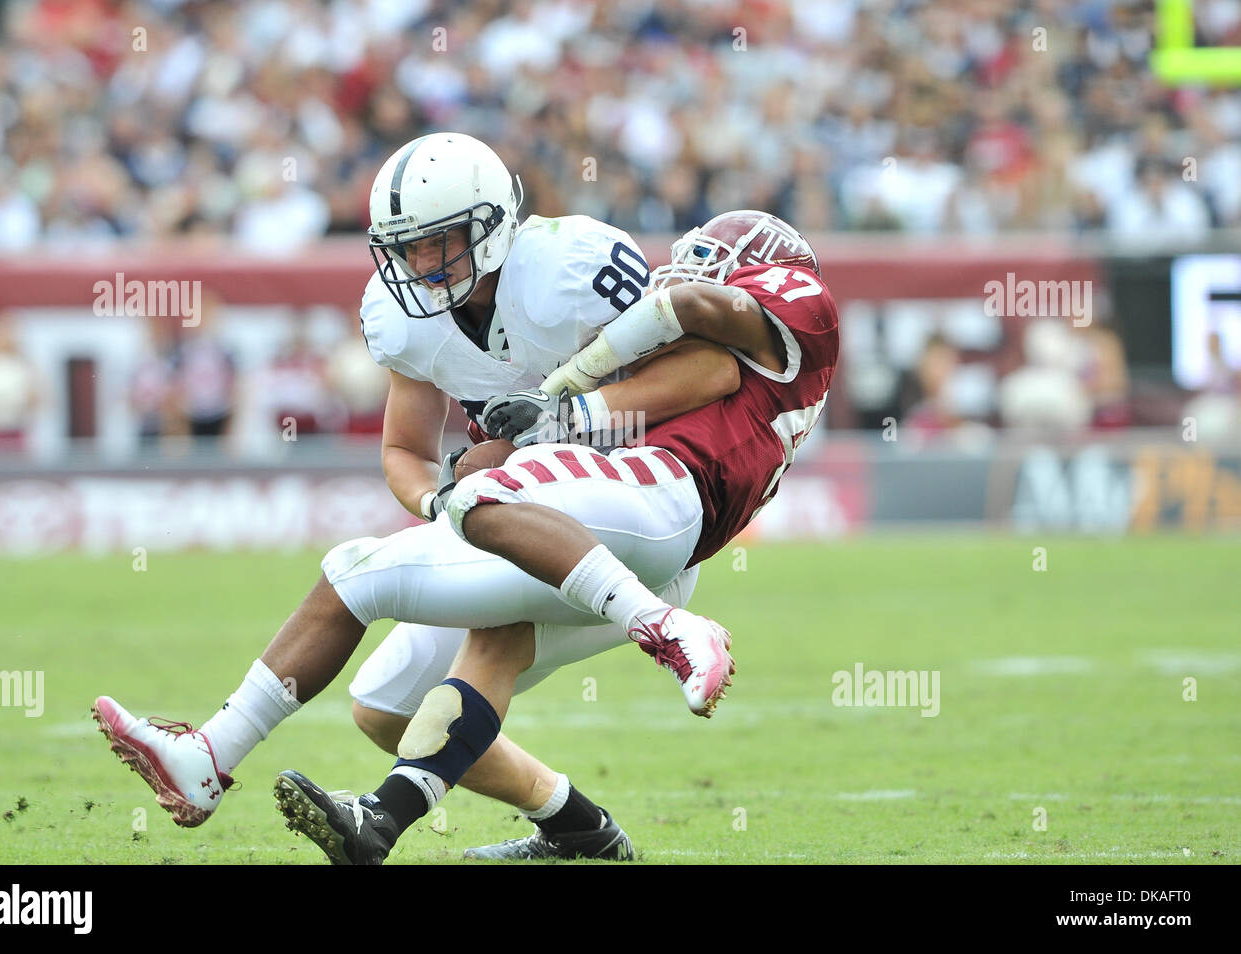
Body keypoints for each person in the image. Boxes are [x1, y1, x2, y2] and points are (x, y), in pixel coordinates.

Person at [93, 133, 739, 862]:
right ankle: (577, 828)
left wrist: (564, 421)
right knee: (386, 706)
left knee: (369, 577)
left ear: (492, 225)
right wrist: (443, 504)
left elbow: (711, 372)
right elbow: (403, 452)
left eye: (438, 243)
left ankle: (226, 764)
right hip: (516, 523)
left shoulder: (573, 268)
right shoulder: (408, 318)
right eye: (406, 248)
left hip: (633, 521)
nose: (421, 265)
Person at [275, 209, 840, 864]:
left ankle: (369, 813)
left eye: (707, 256)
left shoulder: (787, 314)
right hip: (608, 507)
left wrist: (560, 400)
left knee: (473, 591)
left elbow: (691, 315)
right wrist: (499, 446)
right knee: (383, 706)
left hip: (646, 510)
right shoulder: (723, 351)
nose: (680, 269)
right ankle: (577, 828)